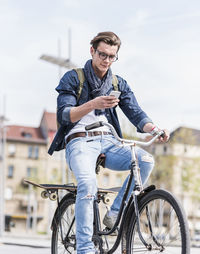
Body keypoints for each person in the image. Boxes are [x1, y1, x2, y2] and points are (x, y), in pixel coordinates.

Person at [48, 31, 170, 254]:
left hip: (109, 141)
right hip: (80, 141)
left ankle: (114, 213)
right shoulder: (73, 78)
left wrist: (154, 128)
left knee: (145, 161)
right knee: (87, 184)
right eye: (102, 54)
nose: (106, 60)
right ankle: (84, 249)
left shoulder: (117, 83)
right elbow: (64, 115)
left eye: (111, 56)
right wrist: (93, 103)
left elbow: (135, 112)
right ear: (92, 50)